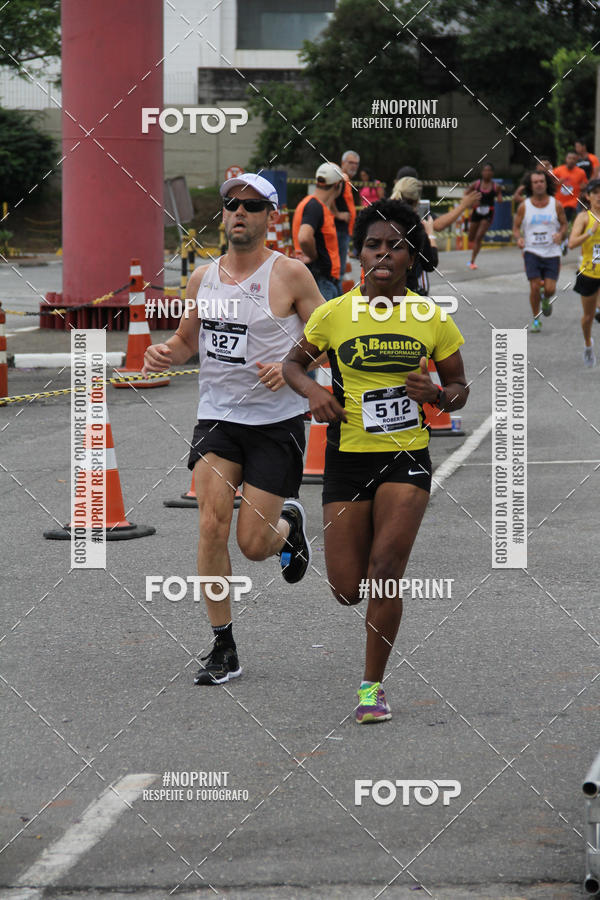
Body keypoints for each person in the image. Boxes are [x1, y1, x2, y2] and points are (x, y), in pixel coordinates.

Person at [282, 199, 469, 723]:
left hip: (406, 458)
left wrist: (436, 392)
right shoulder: (334, 313)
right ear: (360, 253)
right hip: (347, 460)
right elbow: (293, 365)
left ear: (412, 256)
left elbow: (460, 389)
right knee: (346, 589)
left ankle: (372, 689)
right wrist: (313, 396)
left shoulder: (431, 317)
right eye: (373, 244)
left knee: (386, 571)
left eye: (396, 245)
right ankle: (294, 527)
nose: (383, 253)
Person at [143, 173, 323, 685]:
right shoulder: (203, 279)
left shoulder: (290, 275)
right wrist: (164, 354)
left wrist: (292, 362)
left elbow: (325, 335)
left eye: (250, 206)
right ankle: (223, 646)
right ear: (223, 215)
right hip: (219, 420)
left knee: (254, 546)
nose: (238, 213)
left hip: (274, 422)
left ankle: (288, 525)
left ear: (270, 216)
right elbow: (185, 343)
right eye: (231, 205)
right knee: (209, 525)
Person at [512, 170, 567, 334]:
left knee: (550, 289)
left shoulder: (555, 204)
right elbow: (515, 227)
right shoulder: (524, 206)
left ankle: (547, 298)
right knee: (534, 286)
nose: (539, 184)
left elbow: (564, 224)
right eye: (535, 182)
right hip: (532, 251)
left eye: (541, 181)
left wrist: (560, 234)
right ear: (531, 185)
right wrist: (519, 238)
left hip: (552, 252)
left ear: (546, 184)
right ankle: (536, 319)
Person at [293, 162, 344, 300]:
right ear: (337, 185)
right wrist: (313, 256)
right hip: (321, 278)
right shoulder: (315, 206)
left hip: (319, 278)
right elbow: (304, 237)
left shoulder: (310, 203)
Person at [568, 177, 600, 366]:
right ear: (588, 196)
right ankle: (588, 344)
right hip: (588, 273)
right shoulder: (583, 217)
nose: (599, 196)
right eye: (595, 193)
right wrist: (590, 232)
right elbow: (571, 243)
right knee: (587, 317)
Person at [390, 176, 438, 295]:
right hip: (405, 289)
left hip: (378, 287)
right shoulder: (415, 227)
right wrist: (430, 233)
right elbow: (430, 264)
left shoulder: (380, 218)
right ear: (417, 201)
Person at [467, 163, 502, 269]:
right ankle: (473, 253)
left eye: (489, 171)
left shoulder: (496, 186)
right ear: (482, 172)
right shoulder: (476, 184)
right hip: (476, 211)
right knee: (471, 237)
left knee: (479, 237)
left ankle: (472, 261)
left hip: (488, 212)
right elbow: (466, 194)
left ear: (492, 173)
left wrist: (500, 198)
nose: (486, 173)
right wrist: (472, 202)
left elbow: (500, 198)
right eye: (485, 170)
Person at [553, 150, 588, 253]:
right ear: (566, 159)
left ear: (577, 160)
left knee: (566, 222)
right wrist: (557, 183)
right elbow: (549, 183)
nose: (571, 161)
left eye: (574, 159)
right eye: (569, 158)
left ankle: (563, 243)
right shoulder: (558, 171)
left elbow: (585, 185)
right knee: (558, 223)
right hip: (558, 202)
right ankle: (562, 240)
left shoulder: (580, 172)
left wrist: (583, 189)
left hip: (572, 202)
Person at [334, 150, 360, 275]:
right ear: (343, 163)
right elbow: (328, 196)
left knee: (340, 270)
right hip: (338, 229)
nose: (354, 166)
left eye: (356, 163)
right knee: (338, 270)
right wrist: (338, 214)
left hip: (344, 230)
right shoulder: (339, 178)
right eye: (350, 162)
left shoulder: (344, 179)